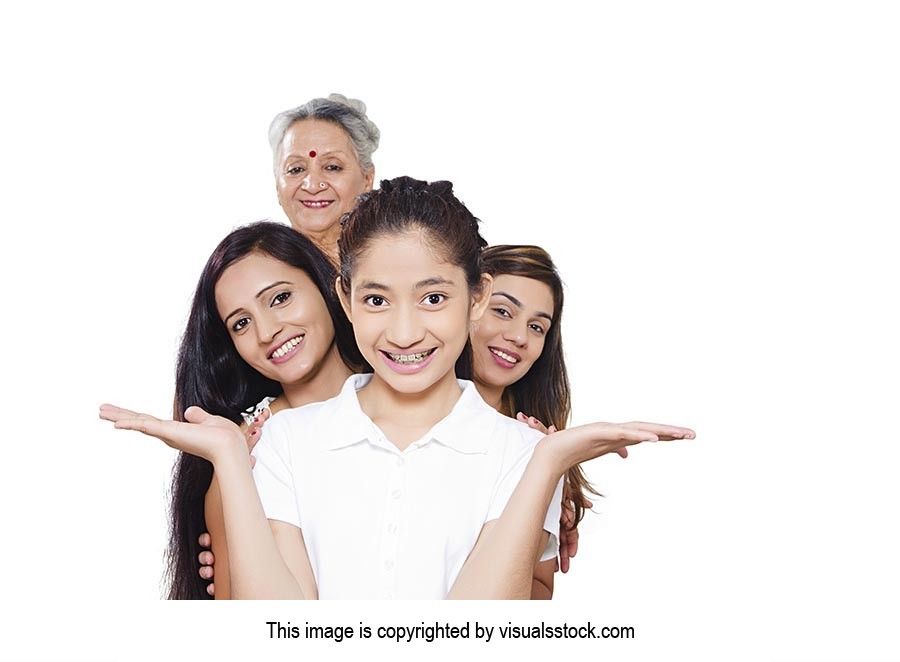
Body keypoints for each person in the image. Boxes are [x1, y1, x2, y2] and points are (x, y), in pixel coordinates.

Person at [101, 176, 693, 599]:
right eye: (377, 299)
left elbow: (484, 636)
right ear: (346, 300)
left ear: (477, 298)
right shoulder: (283, 442)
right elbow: (272, 635)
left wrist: (547, 465)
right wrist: (231, 458)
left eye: (434, 298)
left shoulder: (519, 451)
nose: (405, 332)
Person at [165, 221, 365, 599]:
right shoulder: (243, 454)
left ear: (327, 286)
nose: (267, 331)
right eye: (241, 323)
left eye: (280, 298)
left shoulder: (410, 389)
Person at [471, 245, 600, 575]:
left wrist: (541, 482)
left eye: (537, 327)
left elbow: (538, 595)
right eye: (502, 311)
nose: (518, 337)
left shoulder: (534, 447)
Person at [269, 94, 379, 266]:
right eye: (296, 169)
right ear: (277, 185)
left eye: (332, 167)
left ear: (367, 179)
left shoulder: (398, 261)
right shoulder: (258, 270)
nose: (312, 186)